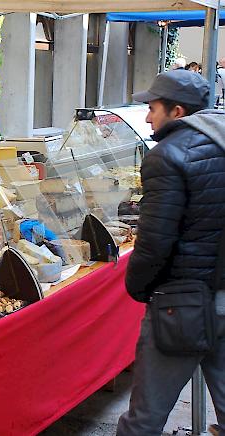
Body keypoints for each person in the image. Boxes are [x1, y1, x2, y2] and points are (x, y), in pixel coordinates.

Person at [117, 69, 225, 436]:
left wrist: (138, 287)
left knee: (144, 418)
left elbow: (154, 242)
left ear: (177, 111)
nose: (148, 117)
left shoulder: (168, 155)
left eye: (152, 107)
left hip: (182, 304)